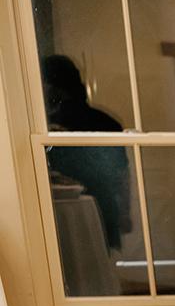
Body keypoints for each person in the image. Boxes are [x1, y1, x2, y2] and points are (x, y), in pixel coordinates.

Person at [40, 54, 131, 254]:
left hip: (88, 209)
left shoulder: (50, 126)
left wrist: (124, 211)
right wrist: (125, 212)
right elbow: (122, 175)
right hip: (71, 211)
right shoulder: (104, 122)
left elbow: (121, 174)